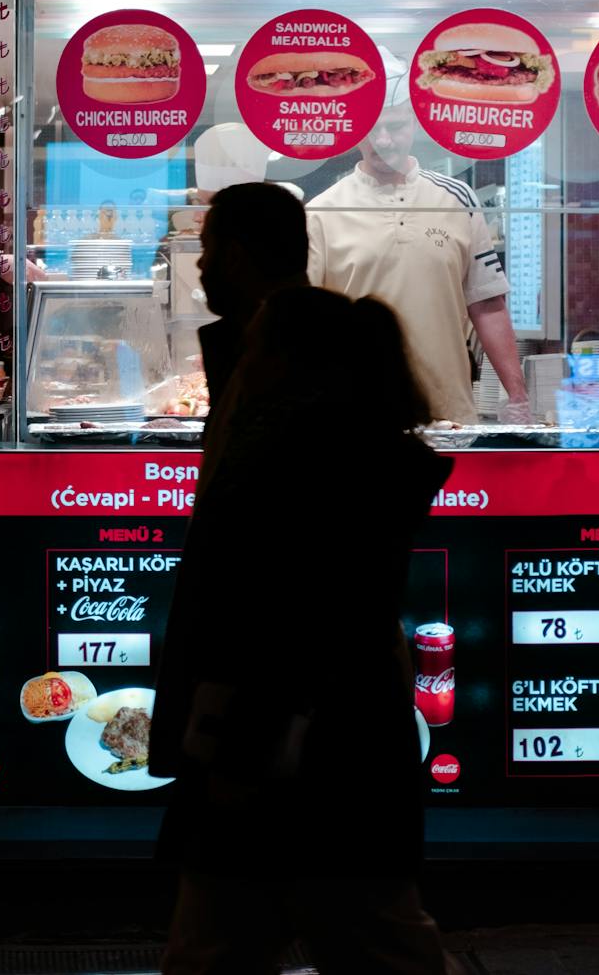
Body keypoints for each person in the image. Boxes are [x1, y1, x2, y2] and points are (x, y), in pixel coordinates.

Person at [153, 287, 456, 974]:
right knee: (378, 936)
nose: (241, 362)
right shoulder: (354, 454)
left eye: (255, 346)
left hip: (286, 739)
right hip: (349, 743)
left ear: (292, 362)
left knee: (222, 945)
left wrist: (238, 738)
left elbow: (286, 623)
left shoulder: (296, 467)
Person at [306, 109, 532, 424]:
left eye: (395, 126)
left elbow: (488, 304)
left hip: (449, 412)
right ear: (353, 131)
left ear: (414, 126)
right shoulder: (320, 212)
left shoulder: (457, 198)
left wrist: (518, 397)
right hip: (356, 418)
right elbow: (305, 324)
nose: (382, 140)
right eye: (371, 128)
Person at [191, 181, 311, 410]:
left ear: (233, 257)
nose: (200, 263)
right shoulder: (343, 335)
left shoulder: (276, 355)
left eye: (207, 248)